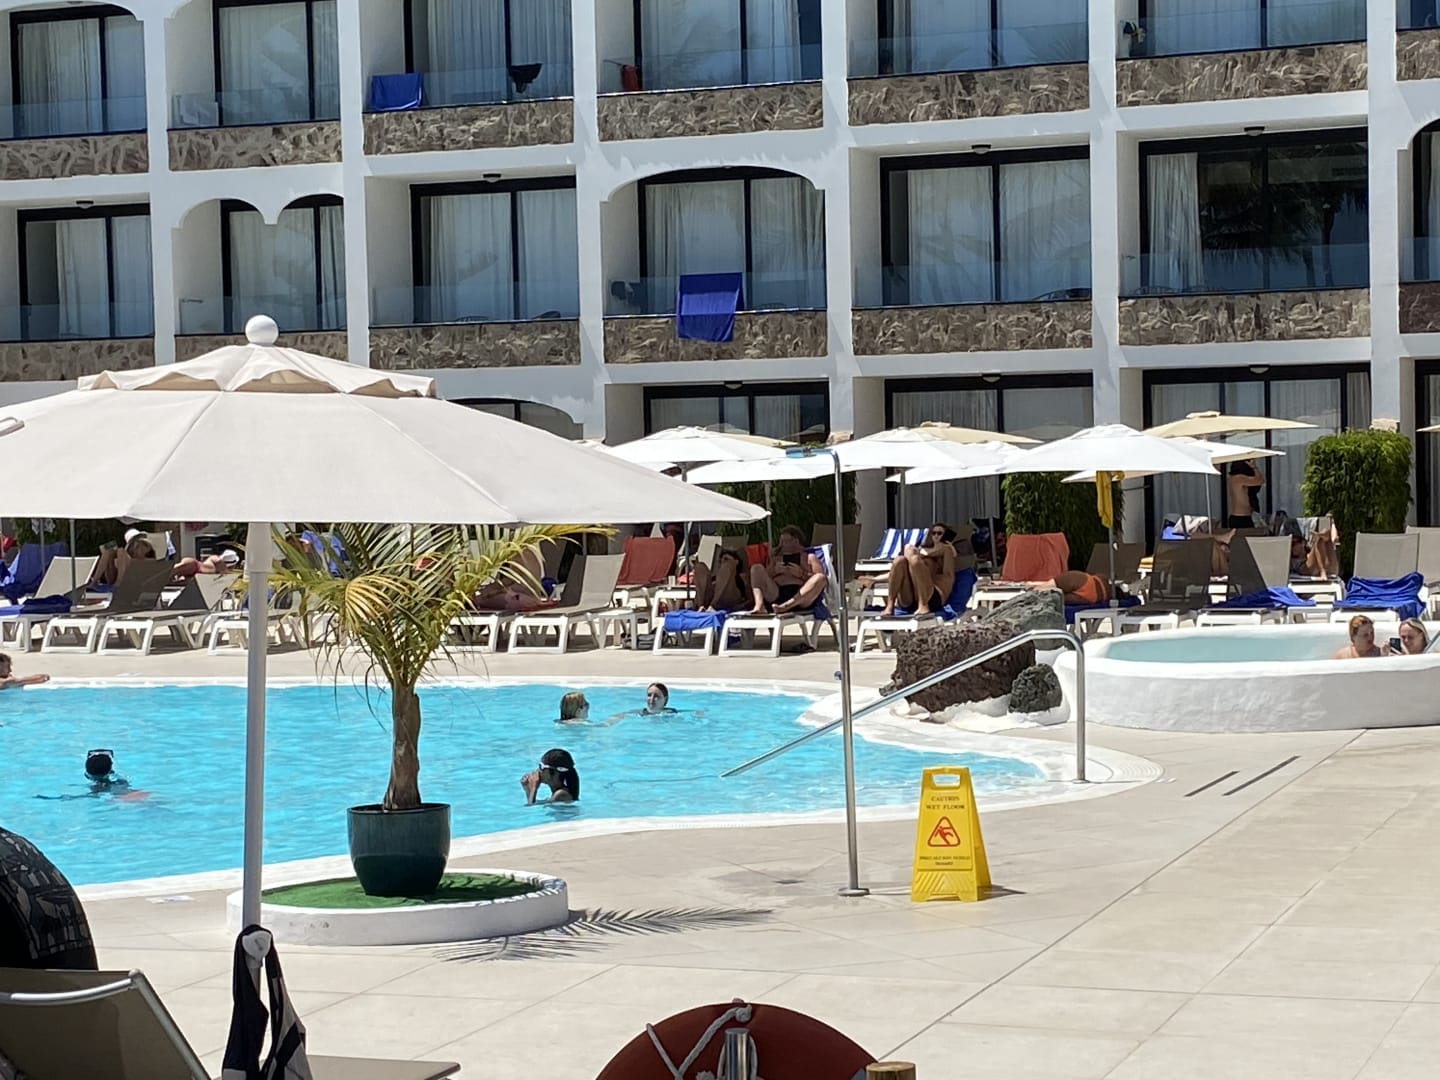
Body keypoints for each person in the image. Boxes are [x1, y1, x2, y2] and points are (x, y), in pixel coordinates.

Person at [879, 523, 957, 618]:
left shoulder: (947, 552)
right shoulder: (921, 551)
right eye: (933, 533)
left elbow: (948, 569)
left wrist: (923, 554)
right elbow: (894, 574)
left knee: (914, 557)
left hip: (932, 598)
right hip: (910, 597)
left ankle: (923, 605)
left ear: (945, 536)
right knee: (899, 560)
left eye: (940, 533)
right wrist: (874, 579)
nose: (936, 536)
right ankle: (890, 606)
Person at [747, 526, 827, 615]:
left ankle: (786, 606)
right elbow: (763, 578)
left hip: (801, 596)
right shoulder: (775, 558)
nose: (782, 544)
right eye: (781, 541)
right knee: (756, 568)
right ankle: (759, 606)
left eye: (785, 541)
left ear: (796, 541)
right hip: (775, 593)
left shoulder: (809, 557)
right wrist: (774, 572)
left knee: (820, 577)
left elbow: (822, 581)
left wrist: (801, 574)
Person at [693, 547, 749, 612]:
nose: (722, 561)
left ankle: (713, 605)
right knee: (700, 566)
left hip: (730, 597)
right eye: (720, 560)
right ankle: (701, 606)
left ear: (736, 561)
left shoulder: (742, 576)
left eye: (726, 559)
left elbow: (749, 599)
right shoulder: (716, 576)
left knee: (727, 567)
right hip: (710, 596)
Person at [1027, 571, 1111, 607]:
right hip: (1096, 591)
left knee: (1040, 593)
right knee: (1045, 593)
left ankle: (1031, 586)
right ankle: (1032, 585)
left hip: (1090, 585)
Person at [1227, 460, 1263, 528]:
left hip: (1242, 517)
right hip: (1241, 517)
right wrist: (1254, 467)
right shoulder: (1238, 478)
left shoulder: (1233, 479)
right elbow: (1260, 480)